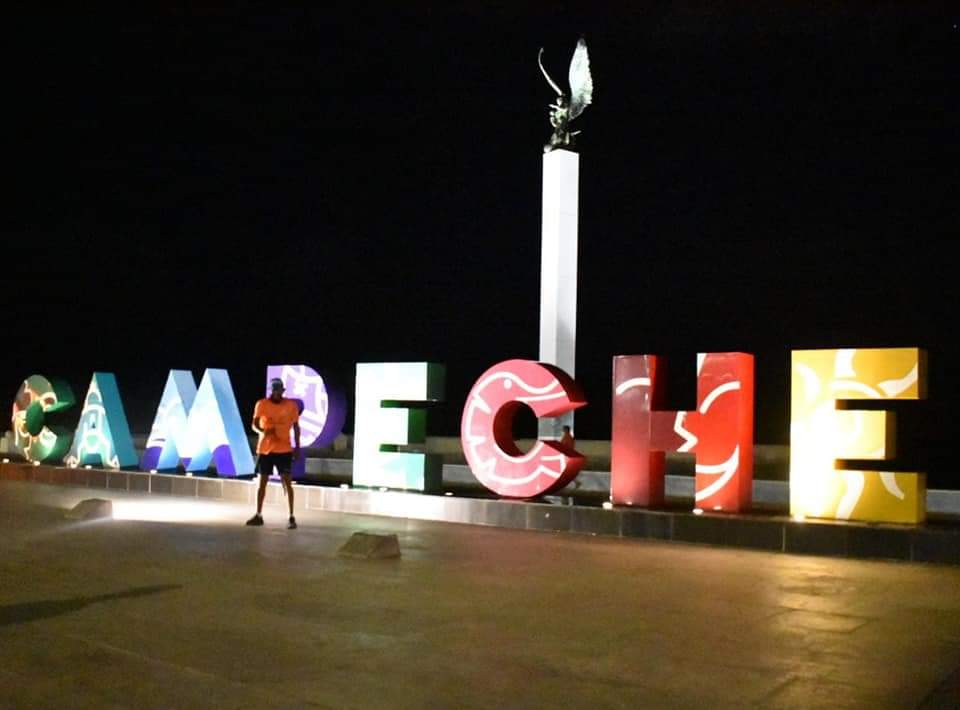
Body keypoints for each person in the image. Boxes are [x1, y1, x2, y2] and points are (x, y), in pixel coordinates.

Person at [246, 377, 301, 529]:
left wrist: (297, 447)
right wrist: (263, 431)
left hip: (284, 449)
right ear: (271, 391)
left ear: (282, 391)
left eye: (279, 390)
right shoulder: (262, 404)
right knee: (262, 482)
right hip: (266, 449)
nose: (277, 393)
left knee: (287, 483)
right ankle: (258, 514)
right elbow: (254, 424)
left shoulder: (291, 405)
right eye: (274, 390)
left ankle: (291, 516)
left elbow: (296, 426)